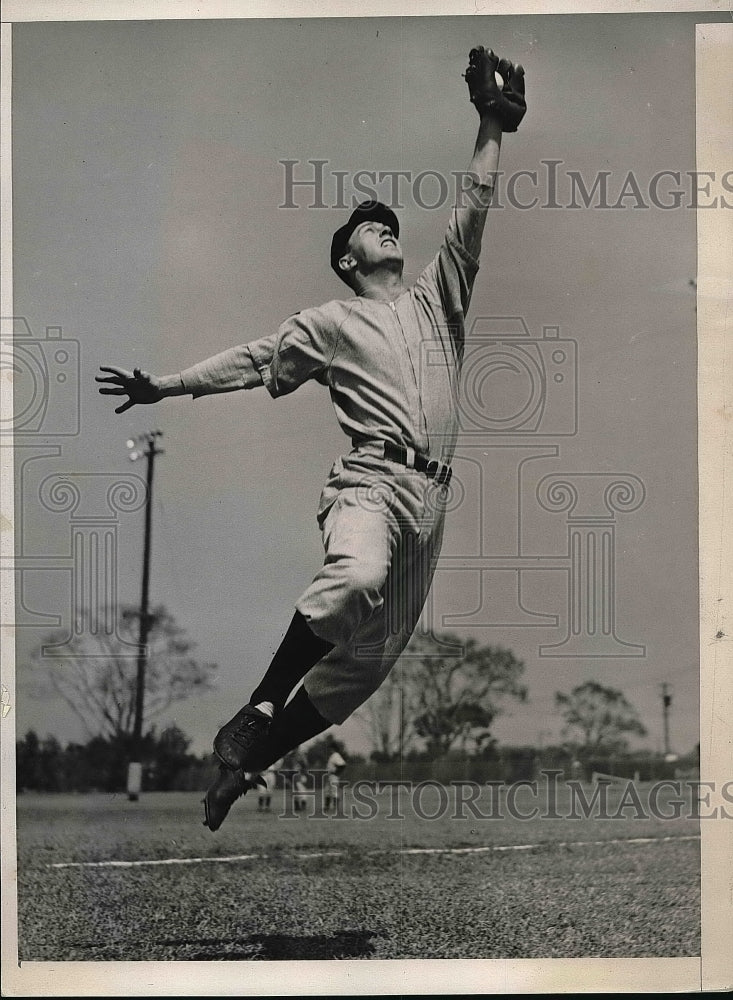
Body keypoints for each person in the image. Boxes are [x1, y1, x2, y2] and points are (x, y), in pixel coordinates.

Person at [97, 47, 526, 832]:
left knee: (361, 668)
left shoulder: (438, 298)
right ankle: (259, 705)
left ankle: (242, 762)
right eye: (369, 227)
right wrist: (164, 385)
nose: (384, 230)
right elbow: (253, 359)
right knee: (356, 575)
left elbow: (473, 205)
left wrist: (491, 125)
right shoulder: (329, 323)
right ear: (345, 259)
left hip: (432, 502)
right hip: (372, 481)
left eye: (388, 224)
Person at [324, 738, 347, 815]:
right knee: (327, 791)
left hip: (333, 776)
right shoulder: (333, 755)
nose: (329, 749)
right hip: (330, 775)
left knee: (333, 791)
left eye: (330, 748)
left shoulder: (335, 755)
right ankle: (327, 806)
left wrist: (336, 773)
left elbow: (343, 765)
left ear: (333, 748)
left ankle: (335, 807)